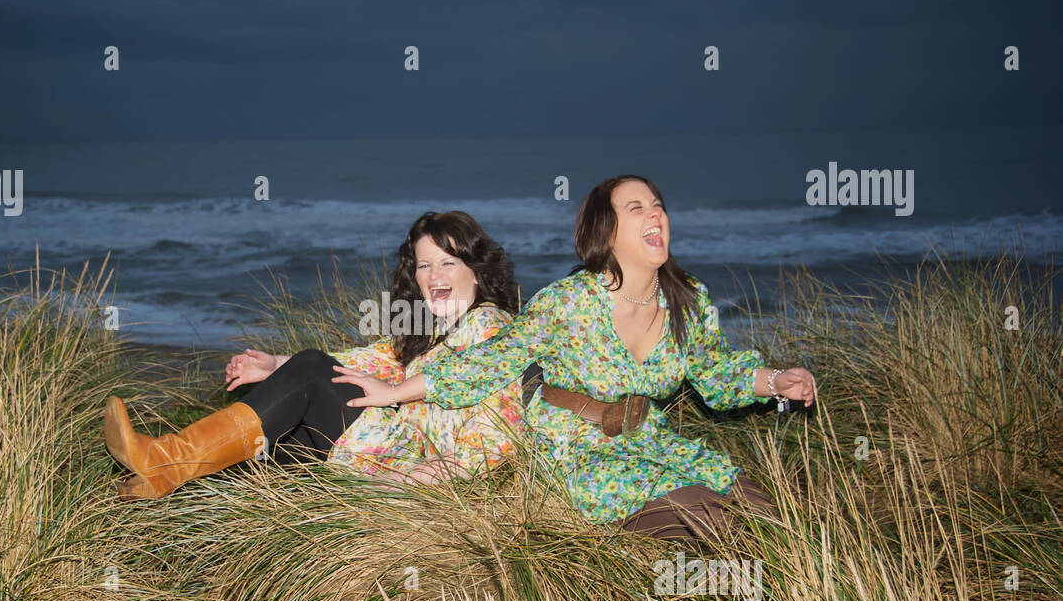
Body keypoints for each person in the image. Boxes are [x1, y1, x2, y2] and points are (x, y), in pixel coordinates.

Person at [334, 175, 818, 541]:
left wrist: (777, 381)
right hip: (578, 448)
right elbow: (492, 362)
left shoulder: (686, 297)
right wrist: (395, 391)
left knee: (765, 514)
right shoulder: (567, 302)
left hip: (650, 439)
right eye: (637, 208)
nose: (656, 215)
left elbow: (716, 372)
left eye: (659, 206)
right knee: (708, 517)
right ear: (607, 233)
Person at [104, 211, 525, 499]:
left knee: (309, 371)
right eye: (424, 265)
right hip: (389, 454)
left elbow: (500, 430)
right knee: (272, 447)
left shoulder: (489, 326)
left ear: (477, 268)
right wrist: (274, 365)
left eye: (448, 263)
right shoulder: (430, 328)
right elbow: (368, 359)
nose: (434, 277)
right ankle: (161, 479)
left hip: (415, 468)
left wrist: (418, 480)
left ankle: (166, 460)